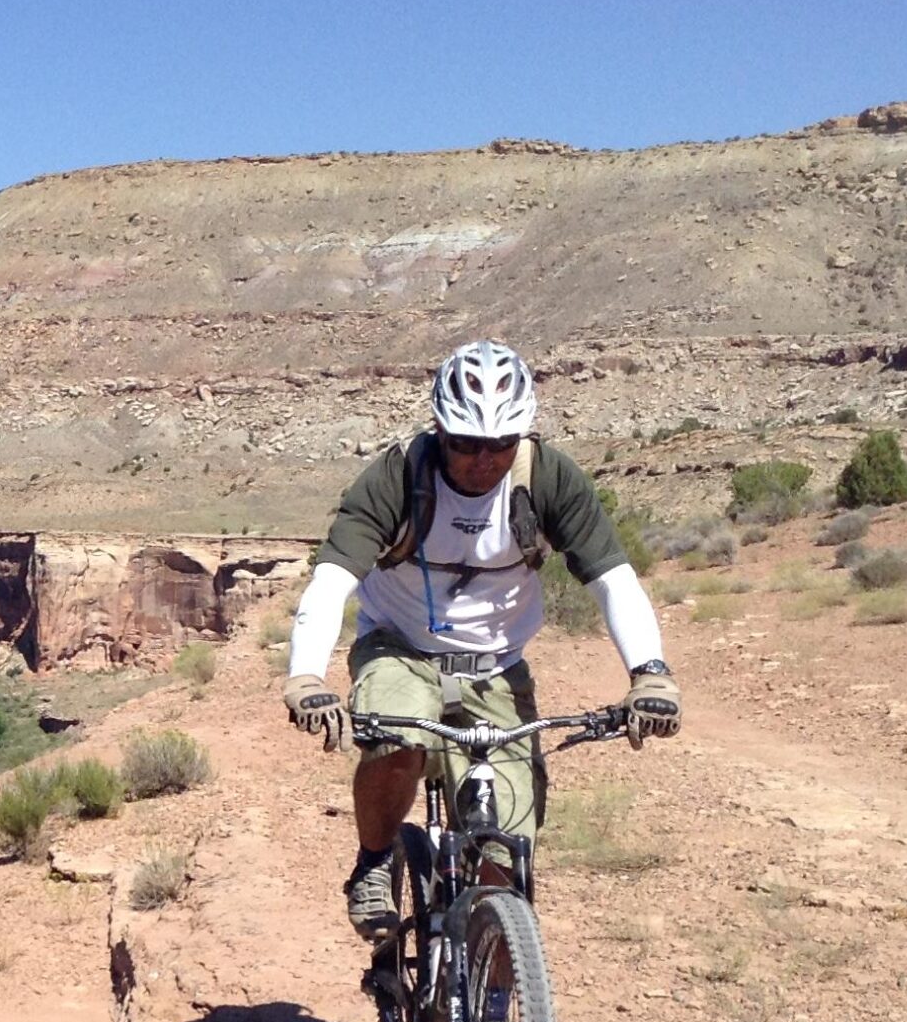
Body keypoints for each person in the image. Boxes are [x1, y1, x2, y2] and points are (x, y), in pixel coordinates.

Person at [280, 340, 680, 938]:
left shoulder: (546, 479)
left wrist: (650, 672)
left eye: (500, 444)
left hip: (498, 666)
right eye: (466, 442)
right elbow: (331, 582)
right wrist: (308, 677)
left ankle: (496, 1016)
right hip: (401, 648)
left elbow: (613, 580)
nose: (482, 459)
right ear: (440, 430)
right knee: (398, 738)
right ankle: (374, 858)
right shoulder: (398, 477)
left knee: (508, 858)